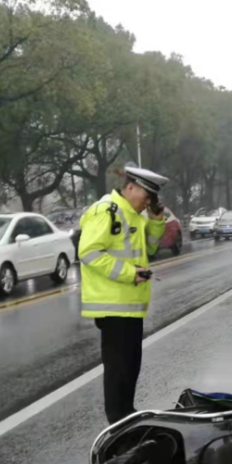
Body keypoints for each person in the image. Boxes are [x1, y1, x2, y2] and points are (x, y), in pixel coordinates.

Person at [78, 163, 168, 424]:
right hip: (112, 305)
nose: (149, 201)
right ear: (130, 187)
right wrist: (129, 273)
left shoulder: (135, 216)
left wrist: (156, 218)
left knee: (130, 368)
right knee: (118, 371)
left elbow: (150, 249)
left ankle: (126, 417)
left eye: (153, 198)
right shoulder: (107, 211)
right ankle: (118, 426)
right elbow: (89, 252)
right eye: (147, 196)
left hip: (130, 305)